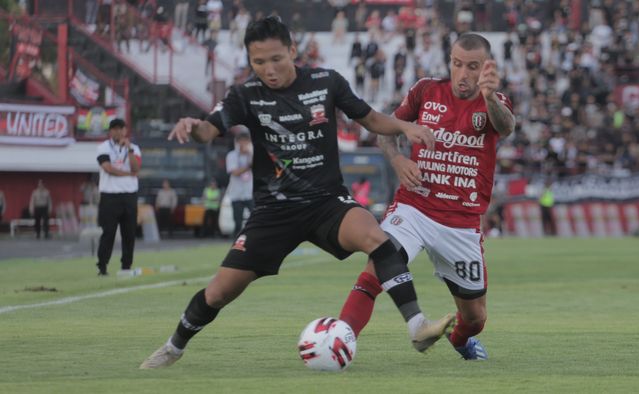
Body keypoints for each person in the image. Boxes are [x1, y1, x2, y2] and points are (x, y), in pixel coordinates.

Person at [140, 16, 452, 369]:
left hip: (326, 202)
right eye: (259, 62)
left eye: (276, 59)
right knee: (219, 292)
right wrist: (192, 126)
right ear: (249, 60)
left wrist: (405, 126)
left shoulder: (326, 82)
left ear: (292, 51)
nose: (269, 70)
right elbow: (208, 132)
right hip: (275, 211)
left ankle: (417, 326)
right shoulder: (245, 95)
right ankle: (173, 348)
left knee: (378, 239)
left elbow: (369, 118)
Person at [337, 33, 515, 361]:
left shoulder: (495, 102)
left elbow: (506, 127)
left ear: (486, 67)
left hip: (461, 223)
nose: (463, 74)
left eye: (472, 67)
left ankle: (461, 342)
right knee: (379, 262)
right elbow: (386, 130)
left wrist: (489, 97)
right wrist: (398, 160)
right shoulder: (426, 90)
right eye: (457, 64)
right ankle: (339, 338)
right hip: (415, 206)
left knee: (475, 318)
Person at [95, 118, 142, 276]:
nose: (118, 132)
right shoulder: (103, 147)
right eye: (115, 129)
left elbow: (136, 167)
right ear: (110, 131)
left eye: (121, 128)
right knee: (108, 232)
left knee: (129, 233)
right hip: (110, 196)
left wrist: (129, 150)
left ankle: (126, 266)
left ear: (125, 130)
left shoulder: (134, 148)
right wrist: (128, 174)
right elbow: (107, 168)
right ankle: (102, 266)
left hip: (129, 195)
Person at [225, 130, 254, 237]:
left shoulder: (251, 155)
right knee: (237, 221)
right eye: (242, 141)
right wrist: (248, 166)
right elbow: (235, 172)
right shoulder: (231, 155)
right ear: (237, 143)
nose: (244, 144)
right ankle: (237, 242)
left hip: (250, 192)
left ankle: (252, 238)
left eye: (246, 142)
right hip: (236, 194)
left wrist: (250, 154)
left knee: (255, 217)